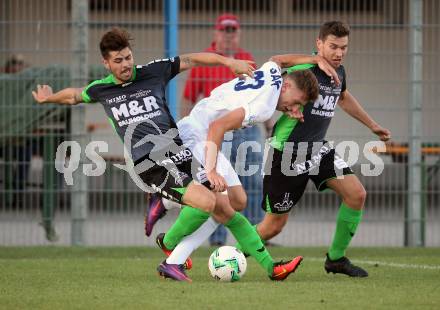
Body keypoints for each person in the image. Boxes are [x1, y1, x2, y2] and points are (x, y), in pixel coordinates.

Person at [31, 27, 300, 283]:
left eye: (128, 57)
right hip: (151, 164)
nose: (126, 65)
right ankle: (169, 251)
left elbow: (192, 59)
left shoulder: (152, 72)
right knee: (207, 202)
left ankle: (271, 267)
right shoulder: (103, 89)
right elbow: (75, 96)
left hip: (180, 155)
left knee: (228, 209)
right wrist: (50, 97)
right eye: (118, 61)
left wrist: (228, 62)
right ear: (106, 63)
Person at [155, 57, 337, 281]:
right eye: (297, 101)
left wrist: (315, 59)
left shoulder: (273, 75)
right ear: (287, 86)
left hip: (204, 136)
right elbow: (217, 126)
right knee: (216, 203)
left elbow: (278, 59)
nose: (295, 108)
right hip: (195, 136)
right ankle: (174, 257)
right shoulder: (264, 106)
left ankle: (167, 230)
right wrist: (211, 171)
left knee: (237, 201)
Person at [236, 21, 392, 278]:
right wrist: (288, 104)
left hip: (317, 149)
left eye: (344, 47)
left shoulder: (339, 72)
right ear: (319, 43)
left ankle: (336, 259)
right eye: (333, 46)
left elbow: (343, 96)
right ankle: (231, 257)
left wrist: (372, 125)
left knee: (356, 194)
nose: (339, 53)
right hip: (286, 152)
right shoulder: (305, 68)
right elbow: (274, 71)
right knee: (273, 226)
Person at [145, 13, 264, 246]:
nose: (228, 36)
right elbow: (189, 99)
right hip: (213, 133)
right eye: (224, 31)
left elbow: (254, 95)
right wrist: (187, 136)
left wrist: (267, 125)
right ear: (216, 33)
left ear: (238, 34)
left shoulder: (245, 59)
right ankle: (217, 240)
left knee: (251, 183)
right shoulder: (208, 62)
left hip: (242, 130)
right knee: (213, 186)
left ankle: (256, 233)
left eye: (232, 31)